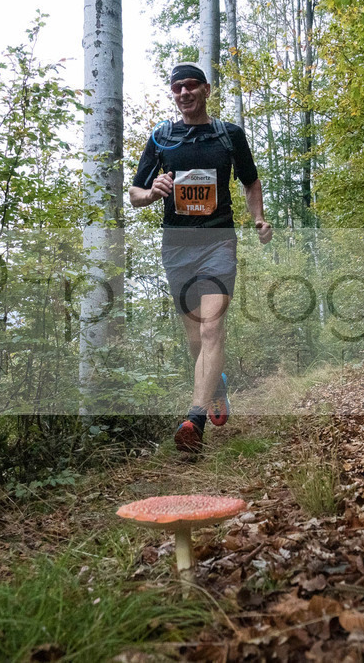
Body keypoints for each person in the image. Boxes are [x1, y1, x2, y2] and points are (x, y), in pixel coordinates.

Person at [129, 62, 272, 453]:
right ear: (172, 94)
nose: (184, 93)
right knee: (195, 339)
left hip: (218, 243)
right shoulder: (162, 138)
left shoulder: (228, 136)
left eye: (192, 86)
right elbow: (135, 194)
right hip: (177, 248)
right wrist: (153, 189)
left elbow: (250, 180)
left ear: (206, 90)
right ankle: (216, 385)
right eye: (177, 88)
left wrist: (258, 218)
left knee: (211, 329)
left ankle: (194, 420)